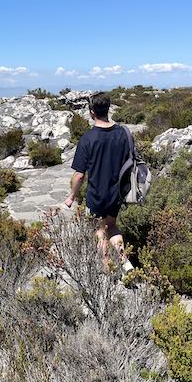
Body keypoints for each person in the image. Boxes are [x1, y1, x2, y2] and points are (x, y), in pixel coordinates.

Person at [64, 91, 134, 271]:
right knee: (112, 226)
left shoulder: (88, 139)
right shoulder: (123, 133)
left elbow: (79, 175)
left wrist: (71, 197)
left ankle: (107, 268)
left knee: (99, 231)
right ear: (108, 109)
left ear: (92, 111)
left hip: (96, 194)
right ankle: (125, 262)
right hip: (117, 193)